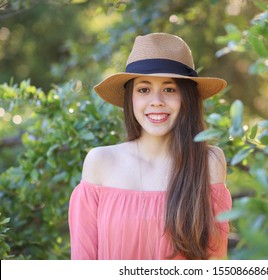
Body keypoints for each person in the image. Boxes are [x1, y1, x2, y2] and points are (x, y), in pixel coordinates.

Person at [68, 32, 232, 260]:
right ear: (131, 98)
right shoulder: (100, 162)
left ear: (187, 98)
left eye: (169, 89)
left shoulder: (208, 161)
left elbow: (215, 261)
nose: (156, 101)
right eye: (144, 89)